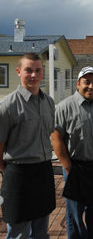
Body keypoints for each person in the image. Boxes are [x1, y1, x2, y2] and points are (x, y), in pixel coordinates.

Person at [51, 66, 93, 239]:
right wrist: (68, 167)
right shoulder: (64, 107)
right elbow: (56, 138)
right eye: (87, 82)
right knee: (75, 218)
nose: (91, 86)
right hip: (76, 169)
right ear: (78, 83)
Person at [0, 53, 56, 239]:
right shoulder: (7, 106)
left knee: (40, 232)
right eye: (28, 70)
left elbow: (49, 134)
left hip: (43, 172)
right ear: (18, 72)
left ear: (42, 72)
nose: (33, 75)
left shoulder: (48, 102)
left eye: (38, 70)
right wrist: (6, 171)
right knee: (17, 233)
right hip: (18, 175)